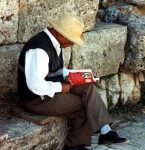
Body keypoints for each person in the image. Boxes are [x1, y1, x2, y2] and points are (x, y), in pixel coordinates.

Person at [18, 13, 129, 150]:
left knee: (87, 86)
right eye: (71, 40)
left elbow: (54, 69)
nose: (71, 44)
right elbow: (35, 85)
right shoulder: (39, 49)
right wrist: (60, 87)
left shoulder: (53, 42)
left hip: (48, 91)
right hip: (36, 99)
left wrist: (77, 76)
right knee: (82, 104)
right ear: (61, 34)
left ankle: (106, 131)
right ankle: (74, 145)